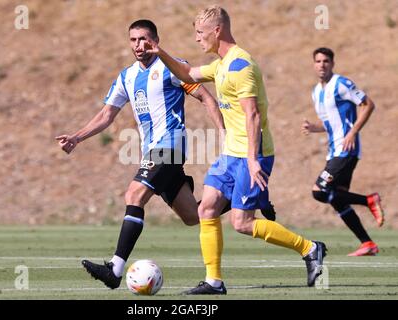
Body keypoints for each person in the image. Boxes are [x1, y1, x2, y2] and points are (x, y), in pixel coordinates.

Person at [145, 5, 326, 294]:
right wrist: (160, 52)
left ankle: (310, 248)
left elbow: (252, 115)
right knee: (206, 209)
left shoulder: (241, 65)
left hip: (252, 155)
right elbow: (188, 73)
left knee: (242, 223)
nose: (197, 39)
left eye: (201, 33)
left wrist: (254, 161)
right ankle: (214, 282)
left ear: (217, 31)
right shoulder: (220, 65)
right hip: (232, 153)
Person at [56, 19, 226, 290]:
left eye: (144, 39)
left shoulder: (171, 67)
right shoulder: (127, 76)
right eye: (134, 40)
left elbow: (206, 97)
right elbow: (106, 114)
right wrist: (77, 137)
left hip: (169, 146)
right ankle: (240, 198)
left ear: (156, 40)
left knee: (134, 195)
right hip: (153, 150)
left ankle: (115, 268)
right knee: (194, 215)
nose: (139, 45)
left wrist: (224, 134)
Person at [301, 47, 385, 257]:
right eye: (318, 61)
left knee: (319, 191)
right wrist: (314, 127)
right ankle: (367, 243)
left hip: (347, 149)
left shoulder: (342, 84)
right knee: (336, 198)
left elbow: (368, 105)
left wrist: (352, 133)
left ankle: (369, 200)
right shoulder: (316, 92)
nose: (322, 64)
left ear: (332, 63)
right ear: (313, 65)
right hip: (334, 151)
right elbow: (330, 123)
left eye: (326, 61)